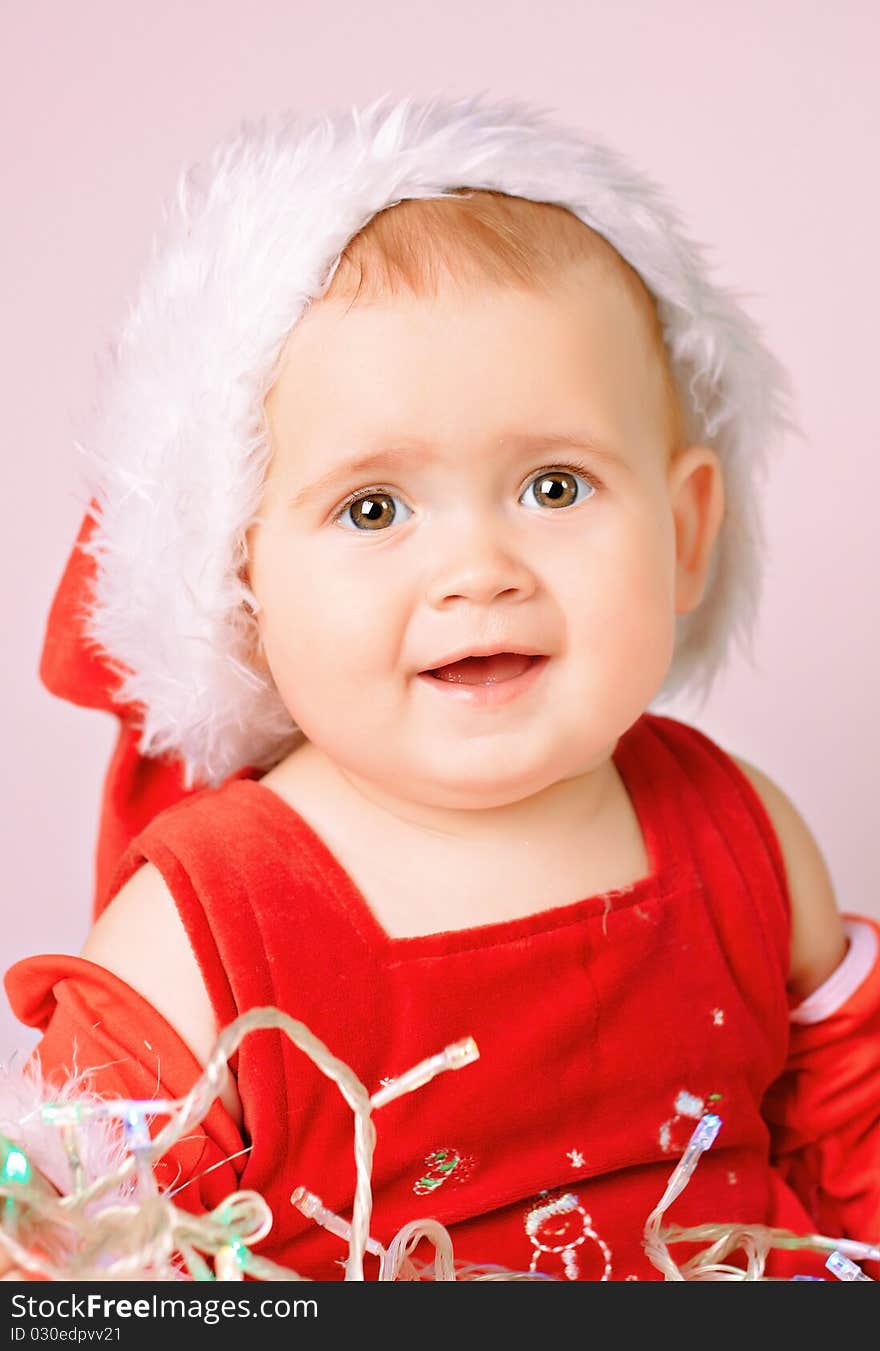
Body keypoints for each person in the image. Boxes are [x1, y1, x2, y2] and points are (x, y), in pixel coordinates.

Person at [2, 93, 878, 1283]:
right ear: (241, 584)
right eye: (374, 507)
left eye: (556, 487)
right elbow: (61, 1268)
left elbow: (850, 1161)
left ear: (684, 532)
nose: (478, 571)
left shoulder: (745, 839)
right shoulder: (204, 929)